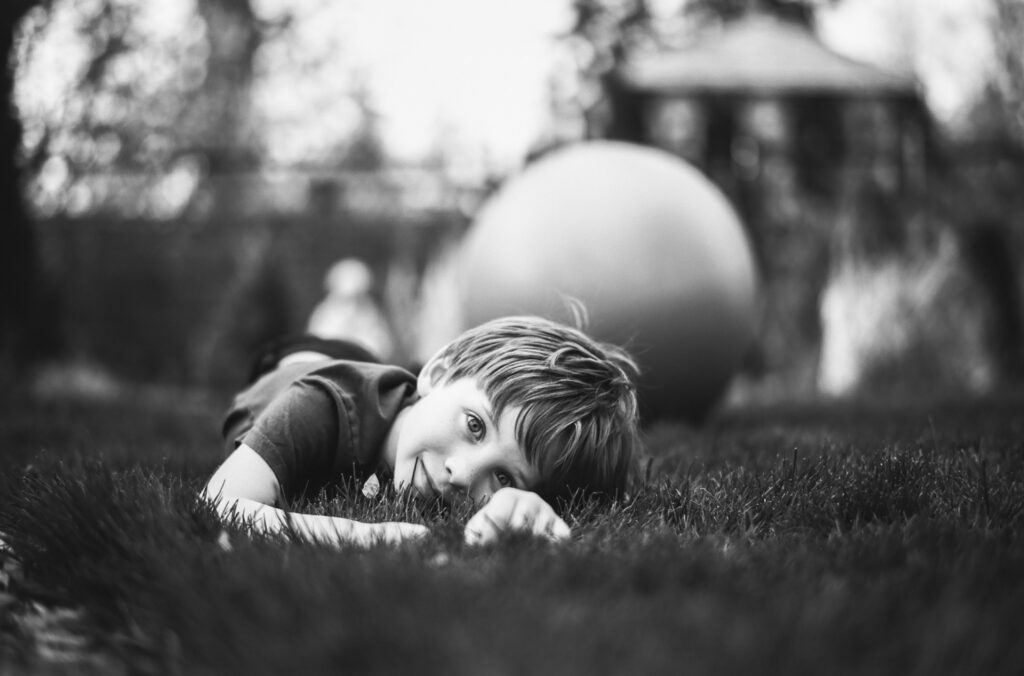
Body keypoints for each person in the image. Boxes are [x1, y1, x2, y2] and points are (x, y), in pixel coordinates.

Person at [202, 315, 640, 548]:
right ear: (441, 371)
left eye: (504, 475)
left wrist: (517, 503)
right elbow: (220, 505)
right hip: (302, 361)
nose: (464, 475)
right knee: (340, 355)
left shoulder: (455, 428)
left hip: (407, 385)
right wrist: (369, 535)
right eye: (475, 425)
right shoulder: (322, 403)